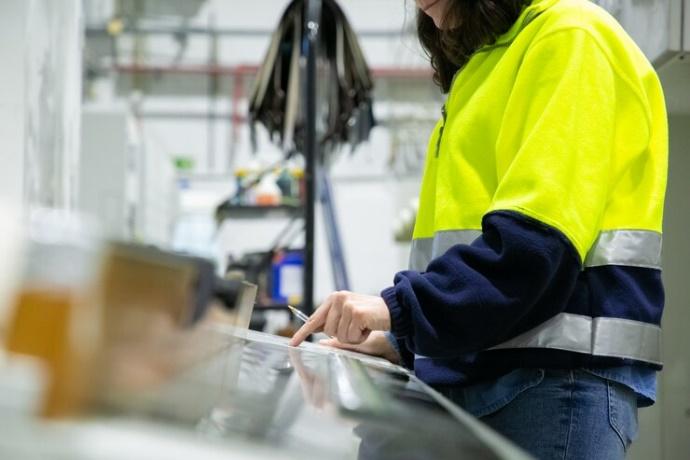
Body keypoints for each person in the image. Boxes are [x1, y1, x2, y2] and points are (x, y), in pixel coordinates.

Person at [290, 0, 668, 458]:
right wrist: (403, 341)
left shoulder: (569, 36)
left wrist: (403, 310)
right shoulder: (483, 69)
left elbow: (535, 249)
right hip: (491, 379)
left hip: (552, 389)